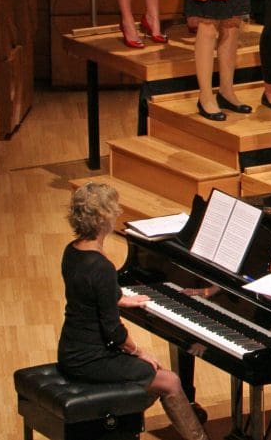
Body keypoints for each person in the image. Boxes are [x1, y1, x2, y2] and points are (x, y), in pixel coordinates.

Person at [58, 183, 209, 440]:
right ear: (104, 218)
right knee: (169, 381)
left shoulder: (72, 251)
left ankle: (117, 425)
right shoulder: (101, 267)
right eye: (114, 209)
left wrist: (117, 298)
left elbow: (87, 291)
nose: (118, 213)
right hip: (92, 360)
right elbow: (114, 332)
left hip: (70, 350)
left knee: (153, 377)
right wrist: (140, 352)